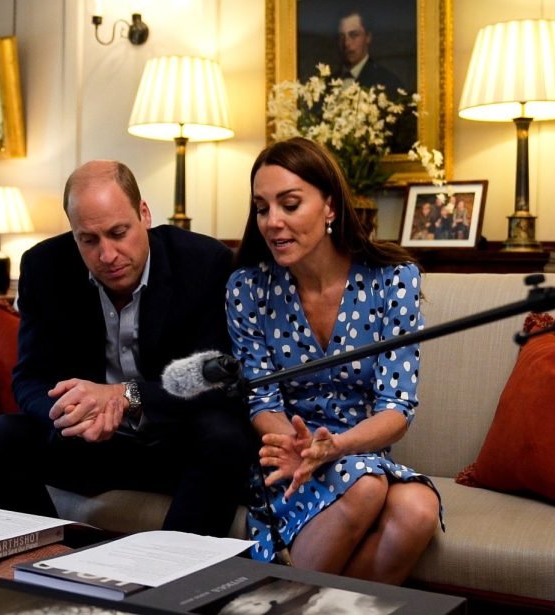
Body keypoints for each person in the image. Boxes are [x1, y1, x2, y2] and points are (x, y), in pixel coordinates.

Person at [0, 160, 252, 537]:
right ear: (73, 233)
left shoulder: (203, 263)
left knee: (225, 436)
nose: (107, 255)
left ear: (144, 214)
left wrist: (123, 397)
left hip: (170, 439)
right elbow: (30, 376)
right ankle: (45, 561)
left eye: (118, 233)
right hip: (86, 441)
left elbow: (211, 383)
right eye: (89, 240)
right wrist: (72, 412)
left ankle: (171, 575)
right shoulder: (44, 267)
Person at [226, 137, 441, 584]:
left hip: (361, 450)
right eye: (262, 208)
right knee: (364, 487)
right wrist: (305, 452)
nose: (273, 222)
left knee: (419, 510)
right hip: (288, 457)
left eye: (289, 204)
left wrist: (336, 448)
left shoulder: (393, 279)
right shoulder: (247, 288)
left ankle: (286, 603)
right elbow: (262, 403)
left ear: (330, 206)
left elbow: (397, 408)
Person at [335, 10, 414, 152]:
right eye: (342, 36)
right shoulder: (327, 84)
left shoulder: (388, 83)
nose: (346, 43)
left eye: (354, 35)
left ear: (368, 37)